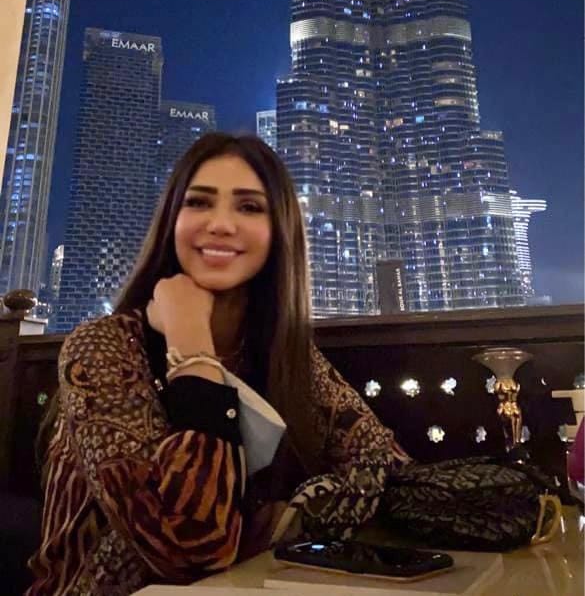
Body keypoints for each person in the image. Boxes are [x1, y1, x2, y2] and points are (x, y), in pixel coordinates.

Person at [27, 133, 409, 595]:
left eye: (249, 207)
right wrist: (192, 345)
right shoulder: (102, 348)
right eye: (199, 202)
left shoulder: (283, 354)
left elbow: (389, 469)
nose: (221, 224)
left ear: (279, 231)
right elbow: (191, 545)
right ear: (173, 220)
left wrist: (293, 514)